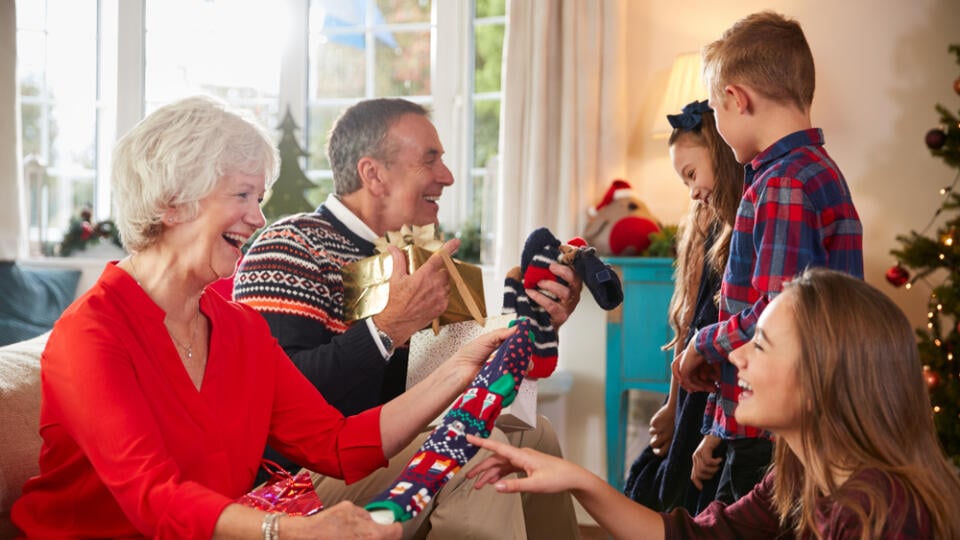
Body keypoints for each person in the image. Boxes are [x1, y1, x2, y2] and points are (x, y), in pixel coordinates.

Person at [10, 95, 516, 539]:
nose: (258, 217)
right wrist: (290, 530)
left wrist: (460, 370)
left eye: (260, 198)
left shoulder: (238, 329)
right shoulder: (92, 333)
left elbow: (339, 444)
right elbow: (153, 498)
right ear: (171, 204)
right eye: (242, 195)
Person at [234, 97, 582, 539]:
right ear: (373, 174)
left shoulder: (421, 262)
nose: (449, 176)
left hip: (386, 449)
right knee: (472, 453)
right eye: (430, 159)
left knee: (537, 440)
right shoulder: (290, 246)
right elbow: (273, 396)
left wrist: (534, 328)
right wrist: (388, 329)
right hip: (297, 478)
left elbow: (447, 385)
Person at [467, 268, 960, 539]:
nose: (736, 356)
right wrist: (575, 478)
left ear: (822, 379)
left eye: (760, 344)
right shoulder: (802, 472)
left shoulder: (883, 514)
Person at [674, 11, 864, 506]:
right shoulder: (818, 172)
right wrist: (719, 423)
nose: (718, 121)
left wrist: (702, 341)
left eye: (716, 109)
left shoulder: (781, 185)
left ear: (736, 99)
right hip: (793, 421)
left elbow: (777, 319)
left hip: (777, 435)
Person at [623, 99, 743, 515]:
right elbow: (687, 326)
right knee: (650, 484)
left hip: (724, 399)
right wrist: (671, 405)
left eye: (692, 174)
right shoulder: (703, 225)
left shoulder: (745, 228)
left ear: (723, 155)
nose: (692, 191)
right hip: (694, 397)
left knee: (692, 503)